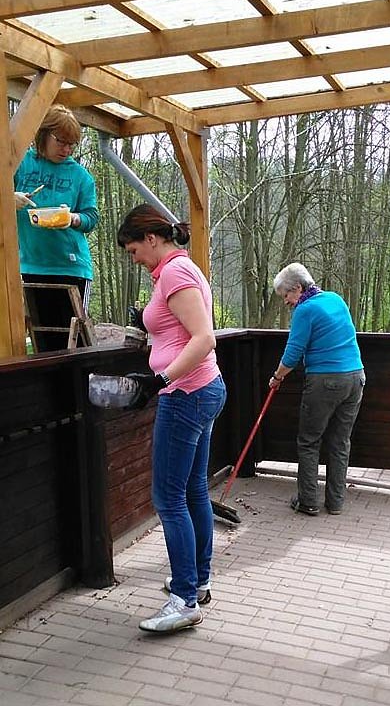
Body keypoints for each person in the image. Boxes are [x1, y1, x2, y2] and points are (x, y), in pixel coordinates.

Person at [117, 203, 226, 634]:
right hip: (201, 390)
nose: (134, 259)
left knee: (168, 499)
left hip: (186, 395)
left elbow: (204, 338)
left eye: (133, 251)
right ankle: (197, 582)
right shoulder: (176, 270)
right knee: (193, 491)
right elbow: (178, 329)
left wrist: (159, 378)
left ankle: (183, 600)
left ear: (151, 238)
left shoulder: (176, 273)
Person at [269, 262, 365, 516]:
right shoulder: (335, 299)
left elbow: (293, 353)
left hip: (326, 380)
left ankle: (308, 501)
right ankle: (335, 502)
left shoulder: (305, 309)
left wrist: (277, 377)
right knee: (340, 442)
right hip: (356, 377)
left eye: (286, 295)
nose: (286, 302)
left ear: (298, 288)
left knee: (309, 441)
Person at [14, 104, 99, 352]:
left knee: (75, 341)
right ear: (44, 134)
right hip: (31, 265)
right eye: (61, 142)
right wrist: (10, 198)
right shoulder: (19, 162)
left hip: (71, 267)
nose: (67, 150)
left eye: (72, 144)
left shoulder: (80, 176)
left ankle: (80, 378)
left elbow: (91, 217)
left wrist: (72, 218)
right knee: (43, 341)